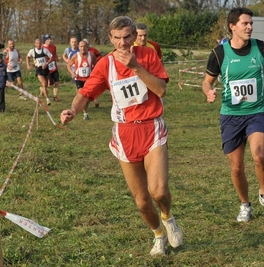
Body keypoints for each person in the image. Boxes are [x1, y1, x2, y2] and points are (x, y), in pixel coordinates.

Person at [61, 16, 183, 256]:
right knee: (141, 201)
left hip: (151, 127)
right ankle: (159, 234)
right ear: (110, 39)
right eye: (117, 38)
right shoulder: (105, 64)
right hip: (125, 132)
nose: (123, 43)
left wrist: (136, 67)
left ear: (134, 36)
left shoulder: (147, 56)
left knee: (158, 191)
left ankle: (168, 218)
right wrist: (73, 110)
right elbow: (86, 92)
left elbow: (161, 89)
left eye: (127, 37)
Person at [202, 7, 264, 223]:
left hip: (257, 112)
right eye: (245, 23)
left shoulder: (261, 48)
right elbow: (207, 81)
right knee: (236, 168)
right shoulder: (219, 54)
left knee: (259, 155)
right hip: (231, 115)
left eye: (251, 23)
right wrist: (208, 91)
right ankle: (245, 204)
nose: (250, 27)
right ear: (232, 26)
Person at [67, 40, 97, 120]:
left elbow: (97, 66)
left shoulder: (92, 55)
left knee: (87, 99)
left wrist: (94, 74)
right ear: (78, 47)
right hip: (79, 78)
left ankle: (84, 107)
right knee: (81, 95)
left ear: (87, 47)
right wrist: (72, 73)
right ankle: (85, 113)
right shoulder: (76, 56)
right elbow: (68, 65)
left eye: (84, 46)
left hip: (88, 79)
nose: (83, 48)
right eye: (81, 46)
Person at [26, 38, 53, 106]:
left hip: (45, 68)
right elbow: (27, 57)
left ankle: (42, 90)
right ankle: (47, 99)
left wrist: (47, 63)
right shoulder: (32, 51)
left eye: (39, 43)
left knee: (45, 85)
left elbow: (52, 57)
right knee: (44, 83)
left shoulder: (44, 50)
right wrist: (28, 65)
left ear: (41, 44)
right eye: (37, 43)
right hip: (38, 69)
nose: (38, 45)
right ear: (35, 44)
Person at [82, 38, 102, 107]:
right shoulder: (81, 52)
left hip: (92, 71)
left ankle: (94, 100)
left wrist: (96, 61)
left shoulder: (93, 50)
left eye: (86, 44)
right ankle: (86, 101)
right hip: (82, 74)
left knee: (91, 87)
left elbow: (99, 56)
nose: (85, 46)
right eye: (84, 45)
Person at [42, 34, 61, 102]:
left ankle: (55, 96)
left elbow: (54, 54)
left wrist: (58, 57)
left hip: (54, 67)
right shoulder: (42, 48)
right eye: (47, 39)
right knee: (49, 84)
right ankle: (42, 89)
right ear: (45, 41)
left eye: (50, 39)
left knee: (57, 82)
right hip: (47, 68)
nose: (49, 40)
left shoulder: (53, 47)